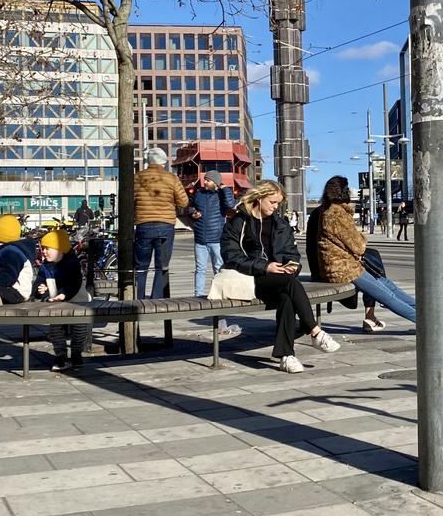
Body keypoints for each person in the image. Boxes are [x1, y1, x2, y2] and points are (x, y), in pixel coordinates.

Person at [221, 180, 339, 374]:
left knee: (286, 297)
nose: (276, 207)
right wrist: (266, 267)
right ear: (259, 197)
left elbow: (292, 253)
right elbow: (231, 257)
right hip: (249, 279)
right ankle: (314, 331)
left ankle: (287, 356)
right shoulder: (239, 221)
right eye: (272, 202)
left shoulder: (280, 224)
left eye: (278, 203)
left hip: (279, 280)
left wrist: (292, 267)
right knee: (289, 284)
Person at [316, 177, 417, 331]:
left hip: (345, 266)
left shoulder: (329, 211)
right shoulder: (336, 214)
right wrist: (362, 236)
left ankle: (424, 313)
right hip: (344, 269)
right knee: (386, 295)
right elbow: (358, 246)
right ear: (343, 192)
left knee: (389, 286)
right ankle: (427, 324)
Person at [306, 176, 382, 331]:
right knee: (372, 260)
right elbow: (356, 245)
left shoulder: (319, 213)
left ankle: (371, 312)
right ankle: (370, 315)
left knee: (372, 257)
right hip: (329, 270)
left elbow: (311, 247)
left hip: (320, 267)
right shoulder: (333, 214)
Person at [133, 147, 188, 299]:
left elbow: (130, 202)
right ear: (163, 162)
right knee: (161, 266)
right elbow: (183, 202)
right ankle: (157, 298)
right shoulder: (171, 178)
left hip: (143, 225)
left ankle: (138, 297)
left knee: (141, 266)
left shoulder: (137, 178)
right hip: (165, 225)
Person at [34, 229, 92, 371]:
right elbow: (38, 283)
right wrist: (39, 290)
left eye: (48, 248)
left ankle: (76, 355)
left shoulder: (71, 263)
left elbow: (74, 283)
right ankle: (61, 356)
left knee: (79, 329)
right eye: (43, 249)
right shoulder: (45, 267)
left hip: (78, 303)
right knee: (55, 330)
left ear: (60, 249)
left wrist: (64, 294)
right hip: (56, 304)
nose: (44, 252)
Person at [185, 170, 236, 298]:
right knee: (200, 269)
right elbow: (190, 207)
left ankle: (219, 294)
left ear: (215, 182)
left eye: (208, 180)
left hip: (217, 239)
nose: (205, 182)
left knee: (219, 268)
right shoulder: (199, 193)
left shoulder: (221, 195)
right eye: (205, 179)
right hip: (200, 238)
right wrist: (192, 213)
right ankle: (198, 294)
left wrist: (224, 188)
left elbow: (231, 205)